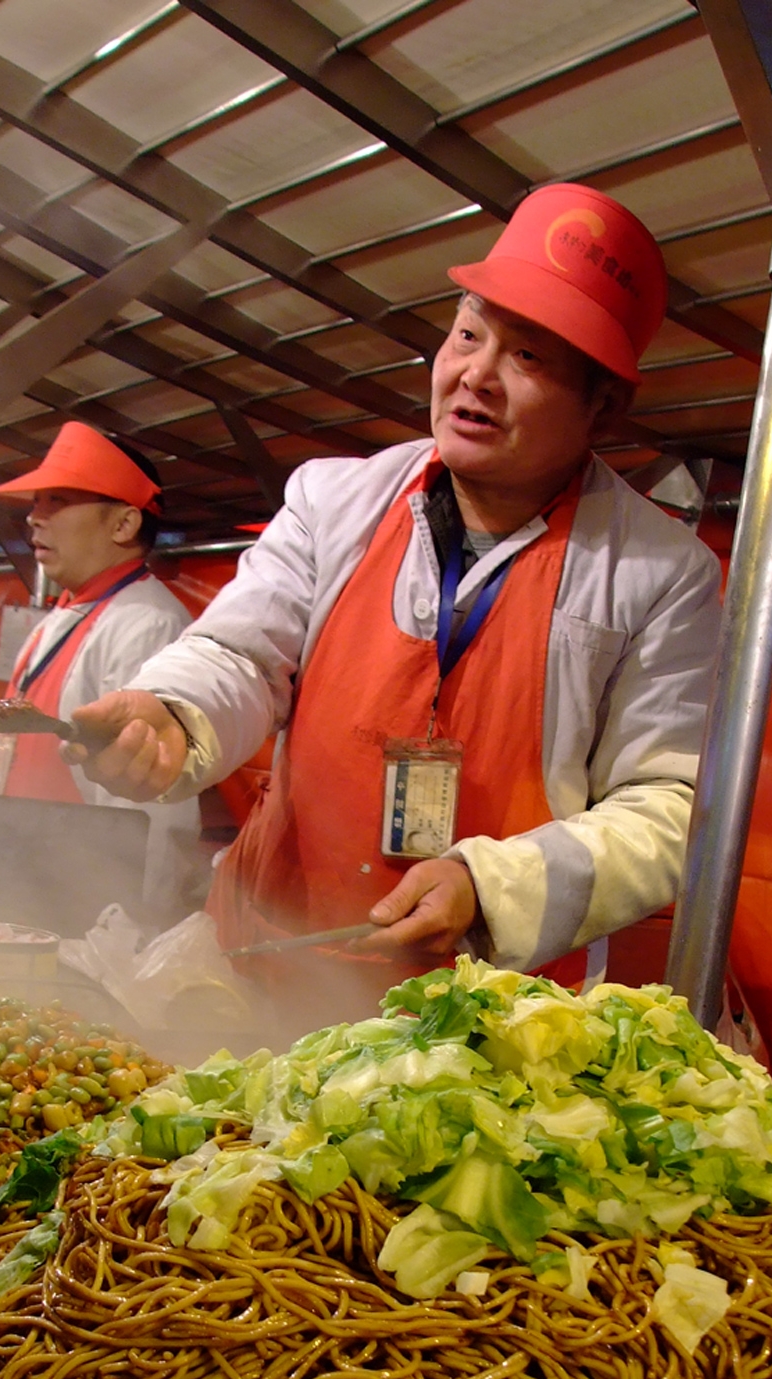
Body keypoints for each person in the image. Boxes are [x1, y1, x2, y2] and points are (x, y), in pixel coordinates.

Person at [64, 183, 722, 996]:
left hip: (488, 1007)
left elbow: (670, 805)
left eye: (527, 357)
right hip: (265, 959)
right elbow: (237, 654)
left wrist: (492, 884)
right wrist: (171, 709)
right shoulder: (330, 499)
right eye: (468, 334)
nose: (476, 375)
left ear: (603, 404)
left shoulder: (661, 574)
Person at [0, 423, 201, 919]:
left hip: (83, 904)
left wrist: (129, 932)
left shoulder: (146, 623)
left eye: (57, 500)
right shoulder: (66, 613)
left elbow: (152, 809)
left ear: (123, 525)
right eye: (37, 502)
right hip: (25, 881)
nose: (34, 518)